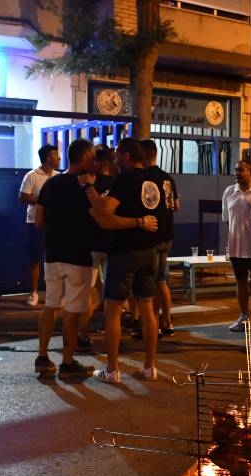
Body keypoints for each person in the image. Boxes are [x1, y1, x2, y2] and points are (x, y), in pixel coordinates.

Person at [82, 137, 160, 382]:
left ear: (126, 156)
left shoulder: (125, 179)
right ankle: (149, 367)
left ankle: (112, 370)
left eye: (117, 155)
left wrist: (88, 188)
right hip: (150, 251)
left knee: (113, 309)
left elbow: (105, 210)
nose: (114, 159)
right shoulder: (154, 179)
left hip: (124, 251)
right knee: (147, 308)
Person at [33, 139, 97, 378]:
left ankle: (42, 357)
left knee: (50, 305)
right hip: (77, 256)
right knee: (73, 311)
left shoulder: (50, 184)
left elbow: (39, 221)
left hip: (52, 255)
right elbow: (100, 215)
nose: (95, 161)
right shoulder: (86, 186)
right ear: (84, 157)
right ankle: (68, 362)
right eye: (92, 157)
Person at [78, 146, 116, 352]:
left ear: (99, 163)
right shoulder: (118, 185)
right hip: (112, 245)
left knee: (88, 290)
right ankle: (107, 328)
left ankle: (83, 334)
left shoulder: (87, 185)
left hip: (91, 244)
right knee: (111, 292)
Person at [222, 160, 251, 331]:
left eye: (240, 170)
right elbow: (227, 220)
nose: (237, 173)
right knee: (241, 282)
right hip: (236, 247)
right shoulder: (228, 192)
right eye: (236, 170)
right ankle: (244, 317)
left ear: (250, 172)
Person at [142, 138, 178, 337]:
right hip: (168, 234)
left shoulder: (144, 177)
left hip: (152, 235)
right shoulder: (167, 177)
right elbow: (176, 205)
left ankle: (154, 323)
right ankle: (168, 322)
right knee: (162, 280)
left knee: (152, 280)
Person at [19, 144, 59, 307]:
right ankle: (34, 292)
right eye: (56, 155)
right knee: (35, 259)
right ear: (48, 157)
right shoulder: (32, 175)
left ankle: (53, 293)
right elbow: (22, 197)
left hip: (55, 224)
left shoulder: (58, 176)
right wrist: (42, 200)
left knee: (55, 259)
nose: (59, 158)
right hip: (35, 223)